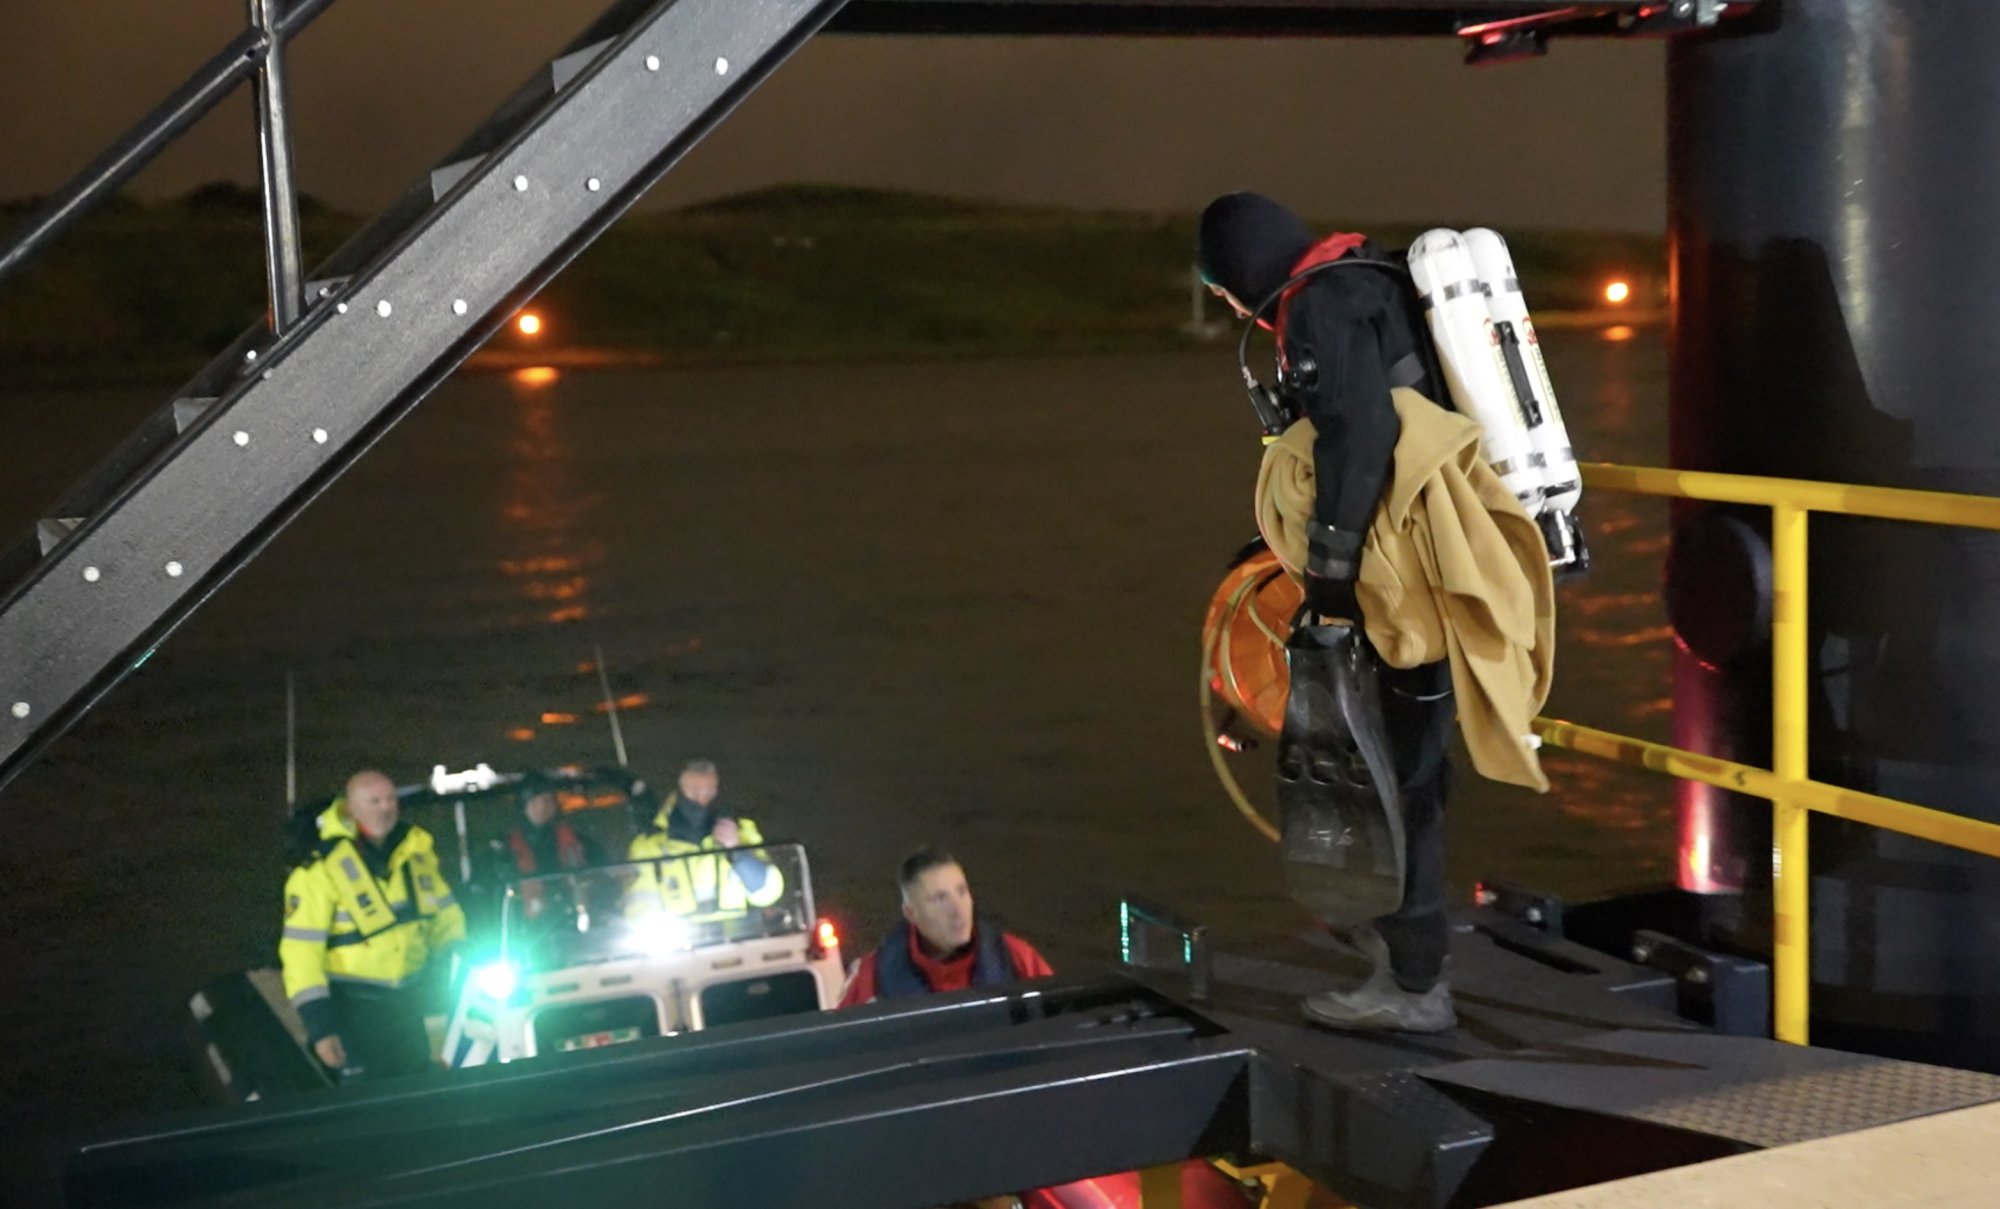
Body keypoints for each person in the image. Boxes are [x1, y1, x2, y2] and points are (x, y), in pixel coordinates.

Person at [1198, 192, 1553, 1034]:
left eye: (1221, 289)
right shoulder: (1374, 274)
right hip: (1439, 547)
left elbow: (1357, 440)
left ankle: (1414, 982)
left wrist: (1326, 576)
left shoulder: (1320, 306)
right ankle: (1399, 938)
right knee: (1407, 757)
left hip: (1405, 574)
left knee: (1398, 772)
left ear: (1241, 269)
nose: (1225, 305)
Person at [279, 769, 467, 1079]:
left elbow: (446, 918)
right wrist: (321, 1027)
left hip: (411, 1003)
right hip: (354, 1009)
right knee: (373, 1104)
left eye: (391, 799)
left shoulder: (415, 855)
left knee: (422, 1091)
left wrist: (459, 958)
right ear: (350, 808)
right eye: (374, 801)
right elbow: (301, 953)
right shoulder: (318, 871)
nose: (385, 808)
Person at [837, 847, 1053, 1006]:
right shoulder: (873, 978)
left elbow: (1064, 1025)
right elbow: (843, 1050)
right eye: (940, 899)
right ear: (911, 913)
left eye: (962, 892)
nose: (958, 910)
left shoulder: (1015, 958)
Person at [624, 759, 784, 920]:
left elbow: (767, 893)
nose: (701, 799)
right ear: (677, 792)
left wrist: (736, 850)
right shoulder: (647, 845)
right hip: (683, 940)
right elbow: (638, 909)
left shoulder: (741, 830)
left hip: (737, 938)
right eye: (693, 791)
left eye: (709, 792)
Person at [491, 772, 604, 921]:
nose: (545, 806)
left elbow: (606, 871)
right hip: (526, 930)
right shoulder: (504, 849)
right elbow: (491, 891)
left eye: (549, 800)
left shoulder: (578, 841)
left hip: (575, 921)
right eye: (538, 800)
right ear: (525, 805)